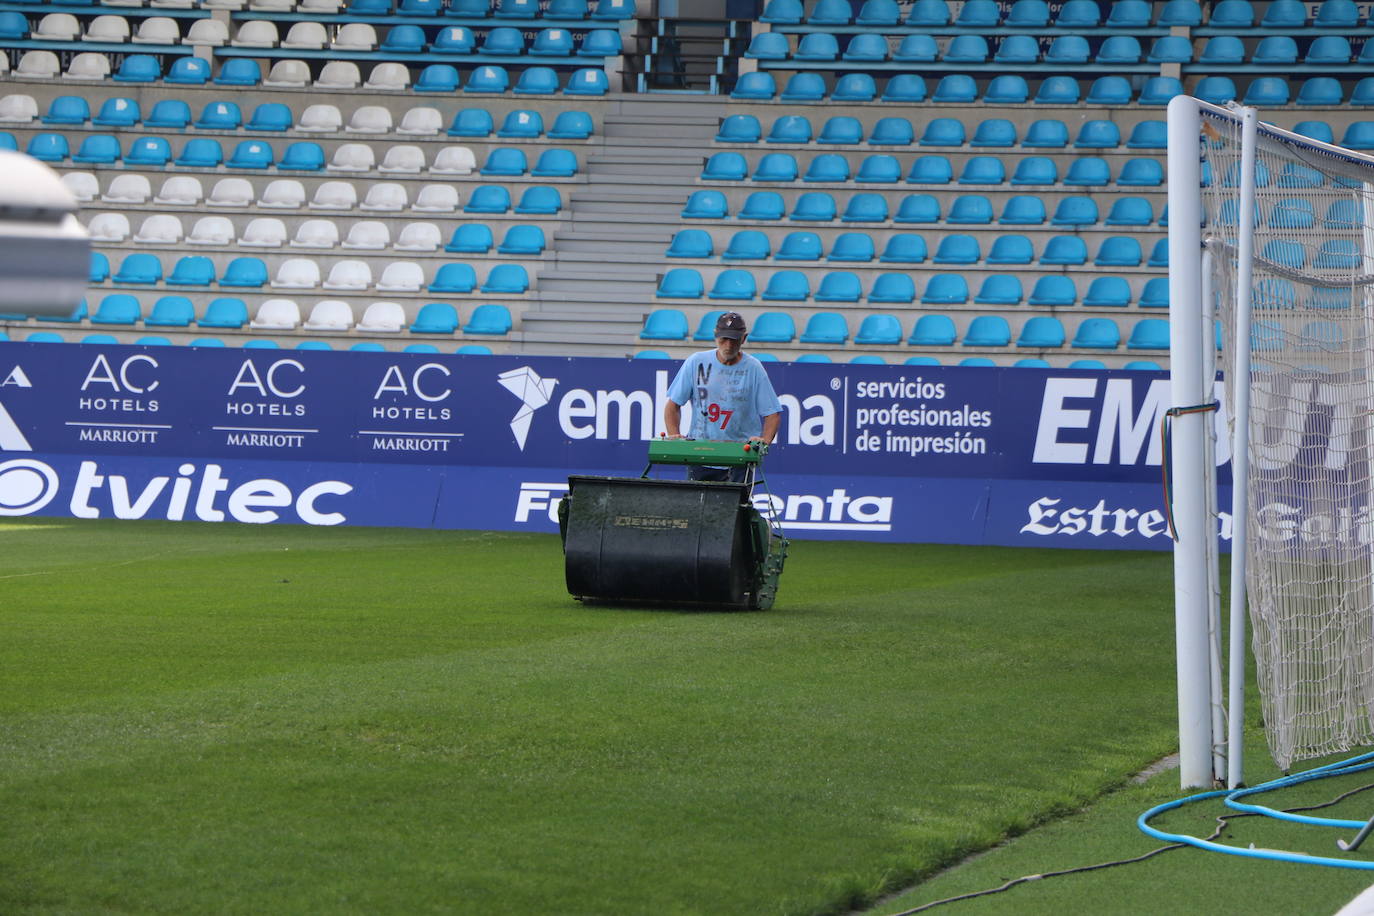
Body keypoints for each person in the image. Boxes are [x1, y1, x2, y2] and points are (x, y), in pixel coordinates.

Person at [663, 311, 782, 482]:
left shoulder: (754, 368)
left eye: (734, 340)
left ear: (744, 339)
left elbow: (773, 413)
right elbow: (673, 405)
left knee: (737, 506)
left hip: (741, 455)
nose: (728, 345)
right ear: (715, 336)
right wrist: (674, 436)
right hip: (700, 453)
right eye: (723, 339)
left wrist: (764, 442)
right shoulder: (696, 362)